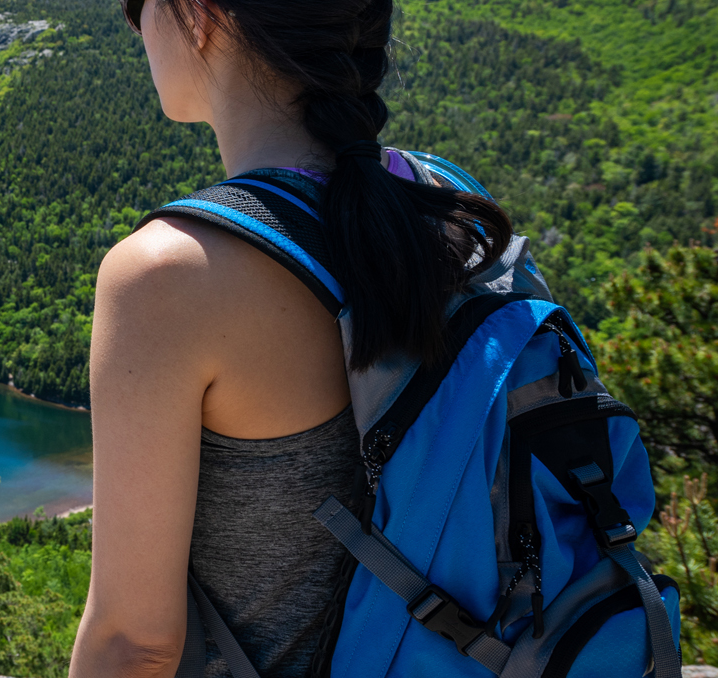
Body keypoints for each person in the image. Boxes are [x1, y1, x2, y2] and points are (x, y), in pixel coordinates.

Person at [69, 0, 514, 676]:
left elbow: (135, 643)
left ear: (200, 14)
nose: (135, 26)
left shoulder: (169, 276)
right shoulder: (450, 202)